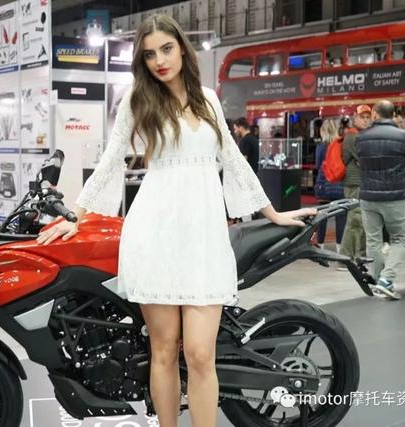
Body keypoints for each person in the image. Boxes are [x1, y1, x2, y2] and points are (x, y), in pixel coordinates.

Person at [35, 14, 315, 427]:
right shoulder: (138, 99)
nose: (160, 61)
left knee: (200, 354)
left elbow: (232, 159)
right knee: (163, 351)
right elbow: (111, 160)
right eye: (150, 55)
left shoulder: (208, 99)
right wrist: (75, 215)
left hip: (203, 236)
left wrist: (271, 211)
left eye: (166, 49)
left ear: (182, 48)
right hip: (155, 232)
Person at [356, 100, 405, 300]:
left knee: (373, 240)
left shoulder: (361, 137)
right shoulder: (404, 136)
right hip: (395, 196)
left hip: (368, 196)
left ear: (374, 114)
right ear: (393, 115)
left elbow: (361, 164)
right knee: (399, 238)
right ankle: (386, 280)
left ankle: (377, 279)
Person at [338, 105, 371, 270]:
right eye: (362, 117)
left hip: (359, 183)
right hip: (354, 184)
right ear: (354, 118)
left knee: (359, 222)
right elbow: (364, 158)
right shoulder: (352, 136)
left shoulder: (360, 135)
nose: (365, 120)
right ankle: (345, 259)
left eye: (367, 117)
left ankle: (357, 257)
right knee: (355, 222)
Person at [314, 119, 346, 252]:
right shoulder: (341, 146)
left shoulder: (321, 147)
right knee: (341, 217)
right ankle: (340, 247)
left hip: (324, 185)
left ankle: (321, 245)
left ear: (323, 131)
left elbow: (318, 165)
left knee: (322, 216)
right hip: (339, 185)